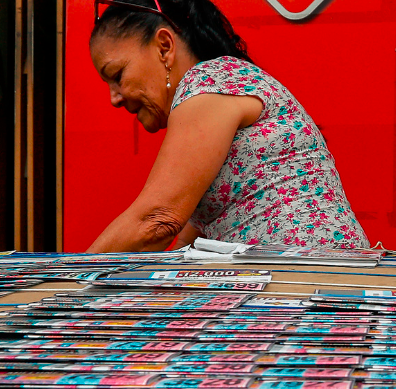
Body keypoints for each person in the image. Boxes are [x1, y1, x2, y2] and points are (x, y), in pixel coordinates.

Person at [84, 0, 369, 252]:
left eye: (117, 74)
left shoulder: (209, 82)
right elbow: (184, 246)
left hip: (306, 280)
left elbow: (156, 221)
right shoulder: (218, 88)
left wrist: (65, 283)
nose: (114, 98)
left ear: (164, 47)